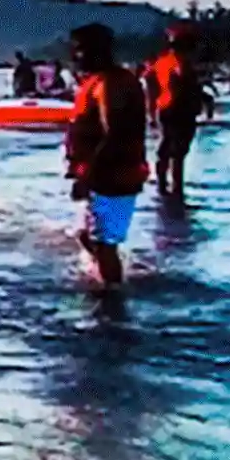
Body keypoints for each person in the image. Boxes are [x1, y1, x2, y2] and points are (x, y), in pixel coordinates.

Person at [64, 23, 149, 289]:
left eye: (79, 50)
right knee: (88, 237)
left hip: (112, 177)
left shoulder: (112, 84)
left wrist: (86, 178)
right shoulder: (101, 80)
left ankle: (112, 301)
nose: (75, 56)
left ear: (95, 50)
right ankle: (107, 279)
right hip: (102, 176)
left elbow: (114, 134)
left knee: (104, 244)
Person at [147, 23, 209, 200]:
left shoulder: (162, 62)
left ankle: (163, 187)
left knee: (166, 149)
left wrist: (151, 109)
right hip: (180, 111)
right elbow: (185, 86)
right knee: (178, 153)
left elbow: (149, 83)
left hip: (166, 110)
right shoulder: (181, 64)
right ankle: (176, 189)